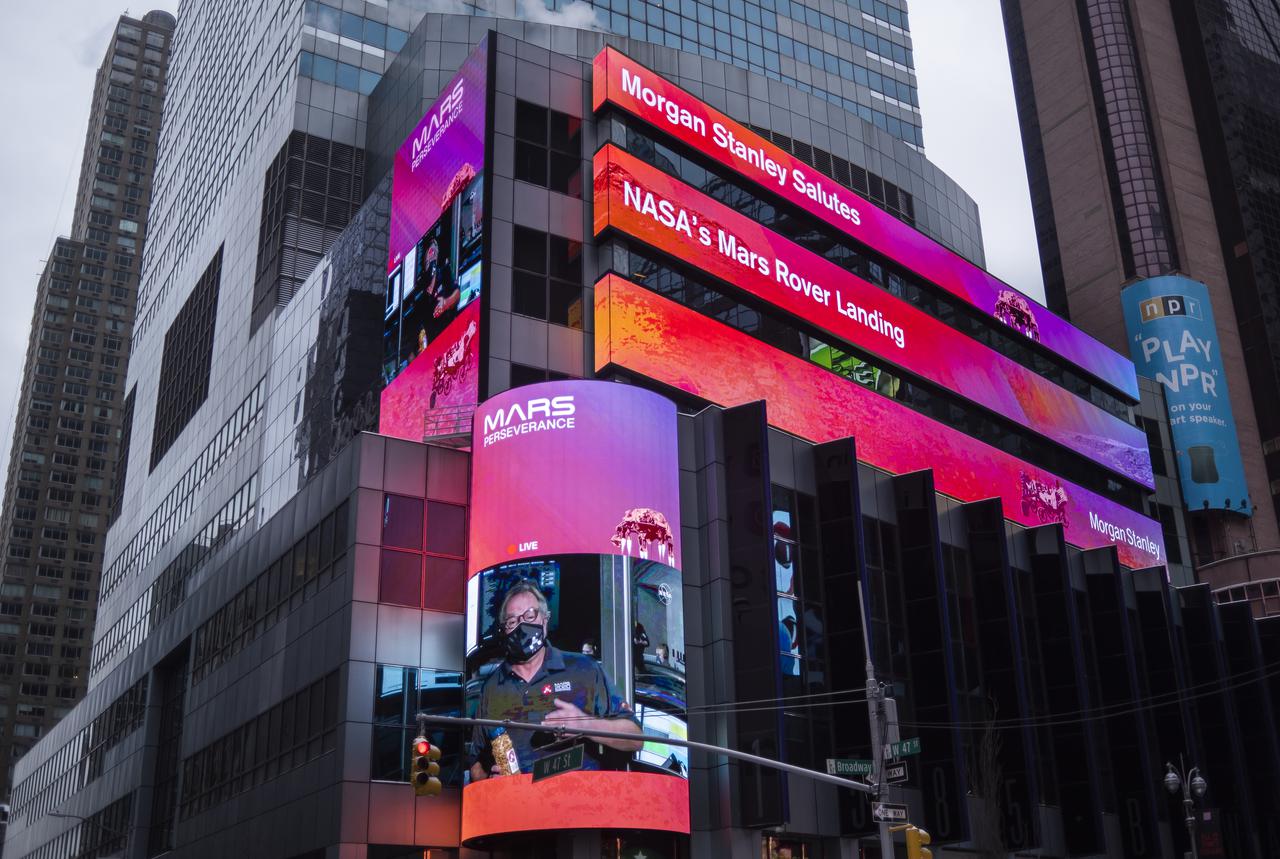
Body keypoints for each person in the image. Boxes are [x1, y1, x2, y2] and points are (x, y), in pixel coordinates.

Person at [469, 582, 643, 781]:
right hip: (517, 808)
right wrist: (489, 783)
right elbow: (476, 765)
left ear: (544, 620)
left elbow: (635, 737)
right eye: (511, 621)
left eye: (529, 616)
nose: (520, 626)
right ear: (504, 630)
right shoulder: (491, 689)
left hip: (578, 804)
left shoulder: (583, 669)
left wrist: (585, 725)